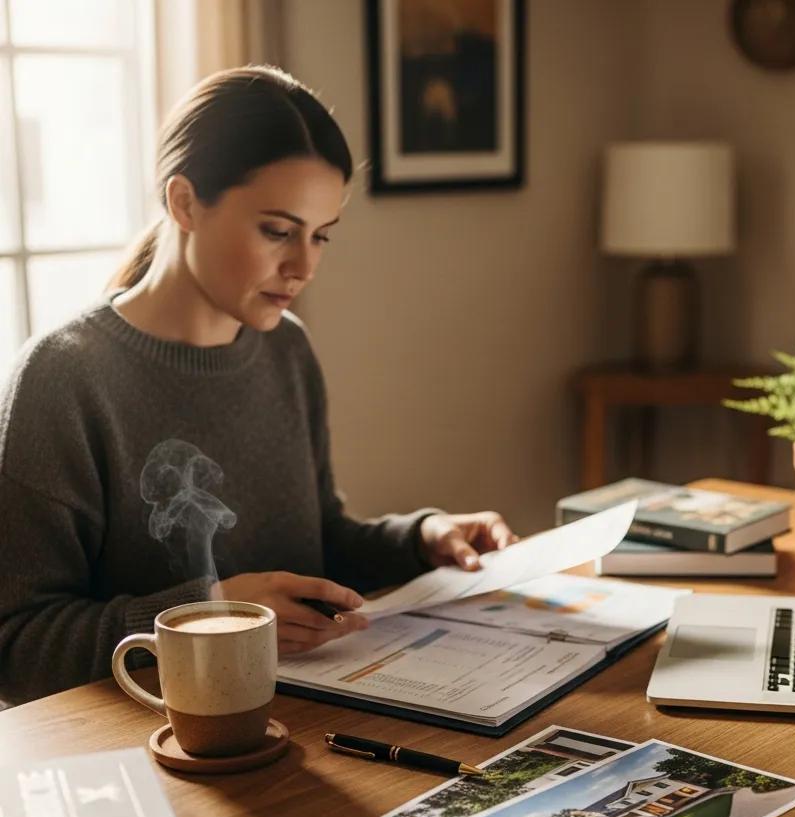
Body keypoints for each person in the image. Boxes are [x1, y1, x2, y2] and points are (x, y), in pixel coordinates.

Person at [0, 65, 518, 709]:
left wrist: (421, 538)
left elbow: (314, 542)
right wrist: (211, 613)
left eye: (320, 235)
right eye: (277, 230)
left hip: (296, 726)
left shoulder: (285, 347)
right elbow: (16, 648)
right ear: (184, 202)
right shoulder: (64, 377)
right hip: (155, 748)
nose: (303, 266)